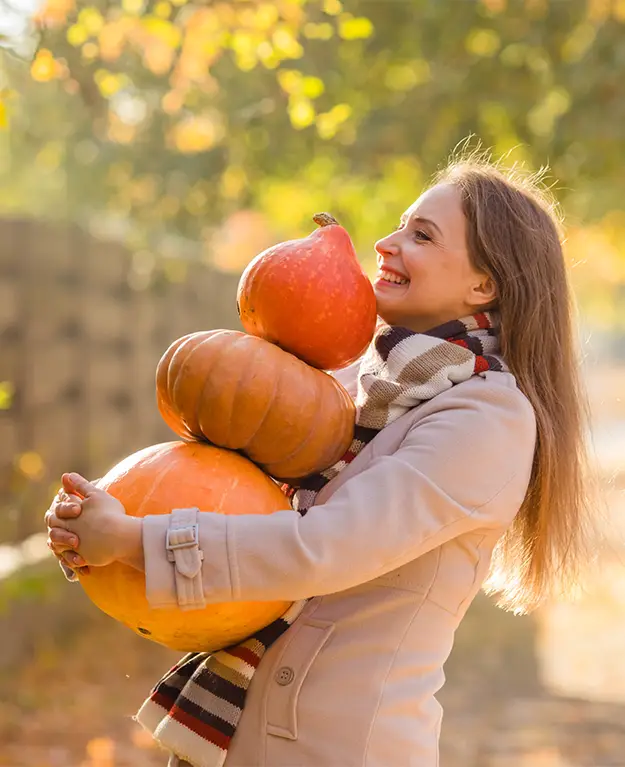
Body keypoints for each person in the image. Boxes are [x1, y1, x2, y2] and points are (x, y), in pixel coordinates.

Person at [45, 153, 593, 767]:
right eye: (400, 224)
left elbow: (325, 545)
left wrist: (136, 541)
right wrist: (102, 515)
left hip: (337, 747)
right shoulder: (358, 383)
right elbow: (232, 492)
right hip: (233, 733)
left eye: (422, 235)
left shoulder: (489, 421)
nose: (385, 243)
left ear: (483, 285)